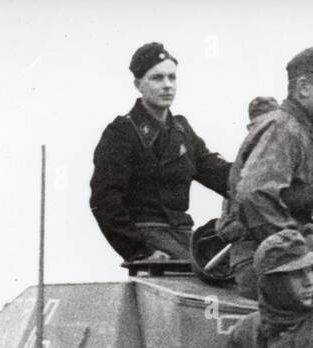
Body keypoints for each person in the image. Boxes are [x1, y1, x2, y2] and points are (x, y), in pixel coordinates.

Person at [221, 42, 313, 298]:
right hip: (265, 264)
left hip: (279, 260)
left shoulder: (303, 130)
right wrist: (296, 246)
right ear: (304, 87)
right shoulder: (284, 130)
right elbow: (255, 194)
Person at [89, 42, 231, 263]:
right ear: (138, 85)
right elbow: (105, 200)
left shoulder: (182, 130)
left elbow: (216, 172)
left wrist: (261, 178)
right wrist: (139, 251)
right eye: (157, 78)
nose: (167, 85)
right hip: (150, 239)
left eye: (172, 77)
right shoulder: (122, 133)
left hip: (183, 235)